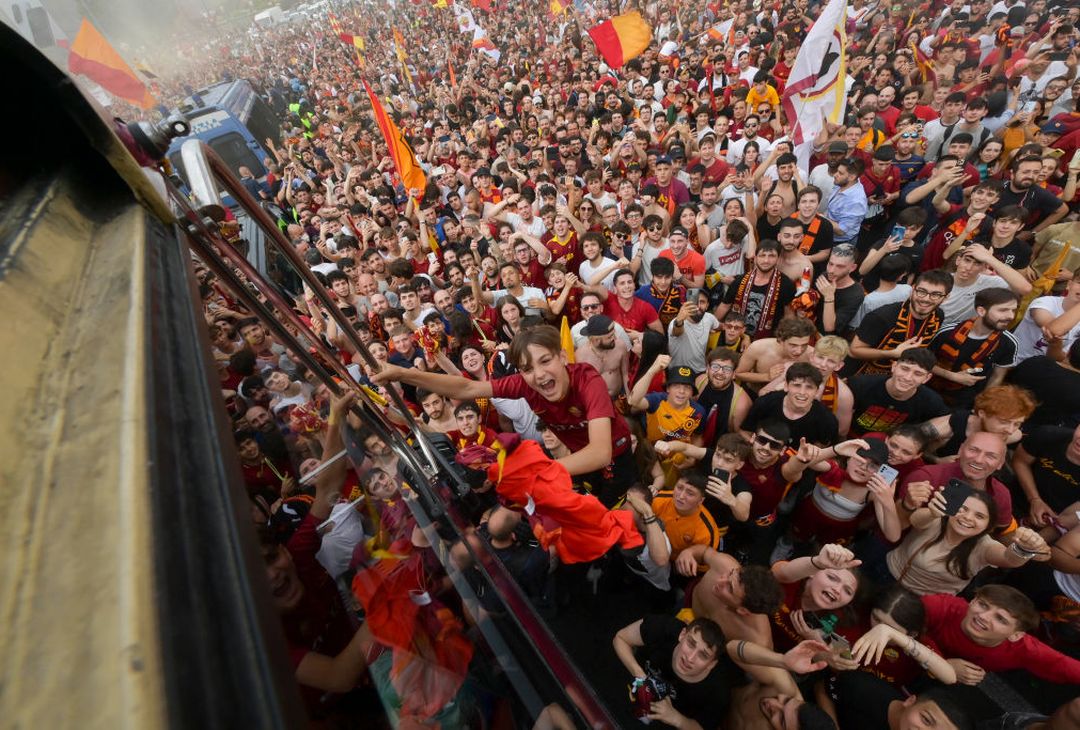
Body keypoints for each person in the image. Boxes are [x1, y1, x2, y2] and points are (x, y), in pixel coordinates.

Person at [373, 326, 636, 506]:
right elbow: (466, 387)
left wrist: (531, 471)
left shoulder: (588, 380)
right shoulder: (524, 383)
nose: (540, 375)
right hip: (576, 462)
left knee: (615, 516)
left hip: (616, 458)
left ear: (563, 357)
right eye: (527, 368)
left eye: (546, 361)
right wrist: (401, 373)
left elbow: (601, 452)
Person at [886, 489, 1050, 596]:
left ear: (989, 525)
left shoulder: (984, 546)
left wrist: (1024, 548)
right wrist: (931, 512)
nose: (967, 517)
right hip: (885, 573)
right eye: (963, 509)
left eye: (979, 516)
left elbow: (1008, 559)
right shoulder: (936, 517)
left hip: (919, 600)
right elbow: (916, 520)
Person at [920, 584, 1080, 686]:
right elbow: (897, 623)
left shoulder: (1024, 649)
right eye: (983, 605)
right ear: (973, 601)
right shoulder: (939, 606)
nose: (983, 616)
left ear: (1016, 635)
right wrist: (942, 663)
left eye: (1001, 619)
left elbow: (1065, 667)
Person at [612, 616, 737, 730]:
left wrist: (677, 719)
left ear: (711, 664)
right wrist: (639, 674)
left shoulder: (717, 691)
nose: (690, 658)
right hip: (625, 690)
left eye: (703, 655)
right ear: (682, 635)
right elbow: (621, 638)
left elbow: (702, 727)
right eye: (691, 644)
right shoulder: (665, 628)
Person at [899, 431, 1016, 534]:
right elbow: (898, 525)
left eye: (991, 456)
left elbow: (1000, 533)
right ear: (960, 450)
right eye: (973, 450)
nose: (978, 460)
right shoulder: (926, 477)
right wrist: (908, 505)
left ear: (1000, 463)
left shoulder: (1001, 494)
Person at [849, 270, 953, 376]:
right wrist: (892, 353)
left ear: (946, 297)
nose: (926, 299)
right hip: (865, 375)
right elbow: (854, 351)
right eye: (921, 291)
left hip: (903, 378)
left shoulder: (938, 316)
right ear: (913, 289)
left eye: (936, 294)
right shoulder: (882, 317)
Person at [928, 287, 1020, 406]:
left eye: (1013, 310)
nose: (1011, 316)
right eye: (1003, 310)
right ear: (981, 311)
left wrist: (981, 405)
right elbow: (923, 363)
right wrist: (953, 377)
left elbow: (997, 377)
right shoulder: (947, 332)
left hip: (967, 401)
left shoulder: (1009, 343)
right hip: (930, 388)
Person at [629, 359, 706, 488]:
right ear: (668, 388)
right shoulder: (657, 400)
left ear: (692, 392)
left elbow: (697, 436)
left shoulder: (698, 412)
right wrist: (652, 370)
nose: (681, 391)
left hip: (677, 461)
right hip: (651, 455)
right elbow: (633, 401)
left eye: (687, 387)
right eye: (676, 386)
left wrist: (692, 459)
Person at [740, 363, 840, 447]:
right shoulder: (765, 403)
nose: (802, 392)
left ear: (817, 392)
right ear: (786, 386)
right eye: (797, 385)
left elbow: (824, 451)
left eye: (809, 387)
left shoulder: (827, 419)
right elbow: (744, 432)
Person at [717, 241, 798, 339]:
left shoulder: (786, 284)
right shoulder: (740, 280)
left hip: (767, 340)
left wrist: (785, 338)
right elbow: (725, 305)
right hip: (737, 337)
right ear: (755, 258)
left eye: (771, 256)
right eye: (762, 255)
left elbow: (789, 315)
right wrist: (712, 324)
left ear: (778, 259)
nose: (766, 260)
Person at [650, 473, 722, 578]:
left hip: (678, 567)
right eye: (679, 488)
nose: (681, 496)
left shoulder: (706, 531)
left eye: (690, 493)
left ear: (701, 500)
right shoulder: (658, 500)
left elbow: (703, 566)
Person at [735, 316, 817, 392]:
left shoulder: (812, 355)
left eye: (804, 345)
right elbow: (738, 374)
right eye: (793, 345)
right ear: (781, 340)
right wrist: (766, 377)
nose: (799, 351)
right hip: (754, 394)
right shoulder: (758, 348)